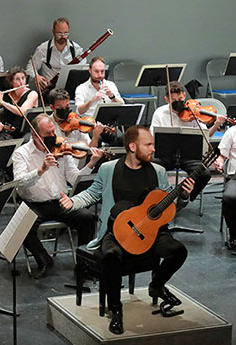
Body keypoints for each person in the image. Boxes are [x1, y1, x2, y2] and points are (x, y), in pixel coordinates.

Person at [59, 125, 194, 334]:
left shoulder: (158, 171)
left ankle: (157, 285)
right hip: (116, 232)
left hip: (150, 231)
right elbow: (93, 193)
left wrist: (183, 197)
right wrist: (73, 202)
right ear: (132, 146)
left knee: (178, 251)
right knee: (111, 256)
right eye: (148, 144)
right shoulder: (109, 168)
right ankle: (116, 309)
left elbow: (168, 206)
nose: (153, 149)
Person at [12, 114, 103, 279]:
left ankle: (84, 265)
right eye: (47, 134)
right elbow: (19, 183)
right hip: (34, 204)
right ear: (35, 135)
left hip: (60, 201)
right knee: (22, 230)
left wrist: (91, 163)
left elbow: (74, 178)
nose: (53, 136)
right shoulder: (22, 153)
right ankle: (45, 261)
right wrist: (40, 170)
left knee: (87, 218)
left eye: (53, 132)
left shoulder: (62, 148)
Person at [150, 81, 226, 201]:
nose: (178, 102)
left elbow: (206, 136)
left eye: (180, 98)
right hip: (166, 156)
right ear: (167, 99)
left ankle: (185, 198)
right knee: (150, 168)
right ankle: (155, 198)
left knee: (205, 174)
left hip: (188, 156)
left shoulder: (193, 112)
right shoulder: (159, 113)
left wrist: (217, 124)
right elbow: (153, 137)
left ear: (184, 96)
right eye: (174, 100)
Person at [26, 17, 86, 91]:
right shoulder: (43, 48)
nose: (63, 36)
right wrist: (36, 76)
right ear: (53, 32)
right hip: (49, 89)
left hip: (70, 89)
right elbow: (30, 67)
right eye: (59, 33)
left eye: (66, 33)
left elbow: (83, 69)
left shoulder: (76, 49)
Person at [0, 66, 38, 139]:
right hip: (7, 132)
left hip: (25, 133)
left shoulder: (32, 94)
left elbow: (22, 112)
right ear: (11, 82)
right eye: (17, 79)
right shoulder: (6, 95)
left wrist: (3, 103)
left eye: (23, 78)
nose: (21, 82)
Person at [214, 125, 236, 252]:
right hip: (235, 177)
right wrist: (220, 162)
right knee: (229, 198)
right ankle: (234, 235)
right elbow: (222, 155)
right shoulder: (232, 131)